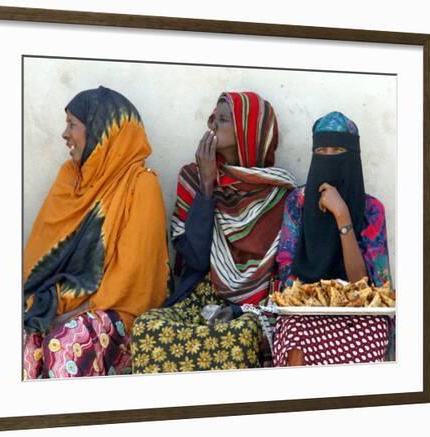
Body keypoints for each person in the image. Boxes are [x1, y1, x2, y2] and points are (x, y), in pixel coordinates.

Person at [131, 91, 296, 373]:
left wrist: (244, 308)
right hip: (200, 293)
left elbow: (281, 271)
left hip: (253, 303)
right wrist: (207, 186)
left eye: (222, 120)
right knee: (148, 327)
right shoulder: (193, 177)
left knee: (238, 335)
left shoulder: (277, 191)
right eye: (212, 119)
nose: (212, 126)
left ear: (248, 130)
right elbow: (193, 258)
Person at [22, 86, 169, 379]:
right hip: (64, 304)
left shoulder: (141, 185)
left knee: (66, 344)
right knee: (26, 345)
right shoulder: (70, 178)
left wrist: (70, 314)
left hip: (119, 313)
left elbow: (131, 279)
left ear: (103, 133)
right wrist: (50, 307)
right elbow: (40, 258)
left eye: (73, 125)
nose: (65, 134)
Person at [272, 111, 393, 367]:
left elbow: (369, 286)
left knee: (374, 335)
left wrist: (342, 215)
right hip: (305, 309)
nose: (327, 157)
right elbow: (288, 276)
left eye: (336, 150)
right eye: (321, 150)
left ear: (352, 157)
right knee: (295, 336)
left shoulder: (372, 210)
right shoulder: (298, 202)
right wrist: (317, 302)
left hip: (357, 313)